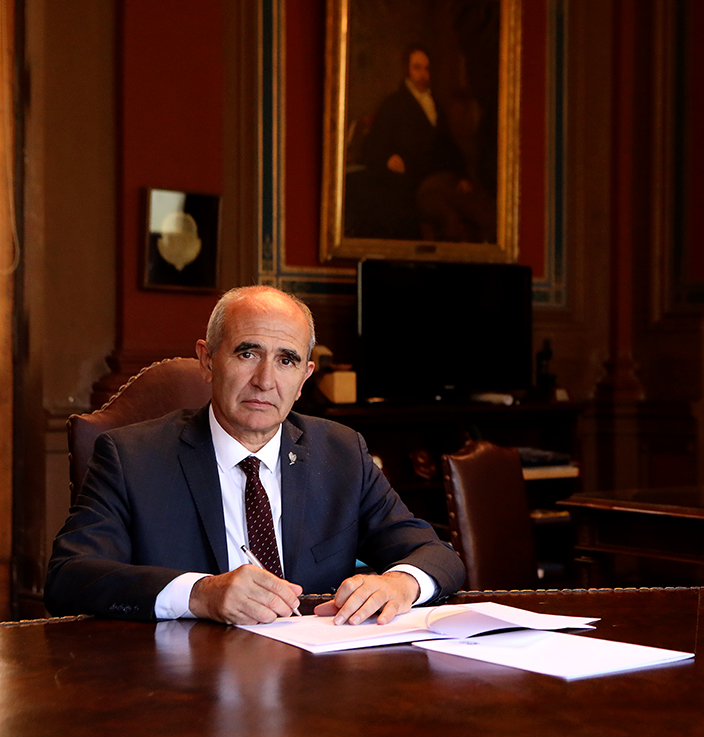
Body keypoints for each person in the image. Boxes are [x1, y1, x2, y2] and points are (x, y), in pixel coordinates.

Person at [45, 286, 465, 625]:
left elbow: (436, 554)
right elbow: (69, 576)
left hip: (316, 679)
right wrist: (200, 594)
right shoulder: (131, 457)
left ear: (304, 378)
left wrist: (401, 584)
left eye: (286, 360)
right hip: (184, 682)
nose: (265, 380)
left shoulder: (341, 452)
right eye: (247, 353)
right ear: (207, 361)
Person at [353, 44, 496, 243]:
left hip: (445, 179)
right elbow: (371, 146)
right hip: (417, 185)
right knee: (450, 219)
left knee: (485, 212)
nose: (423, 75)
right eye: (417, 68)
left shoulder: (435, 104)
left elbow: (450, 146)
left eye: (427, 69)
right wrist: (388, 159)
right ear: (407, 70)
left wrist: (463, 176)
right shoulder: (394, 104)